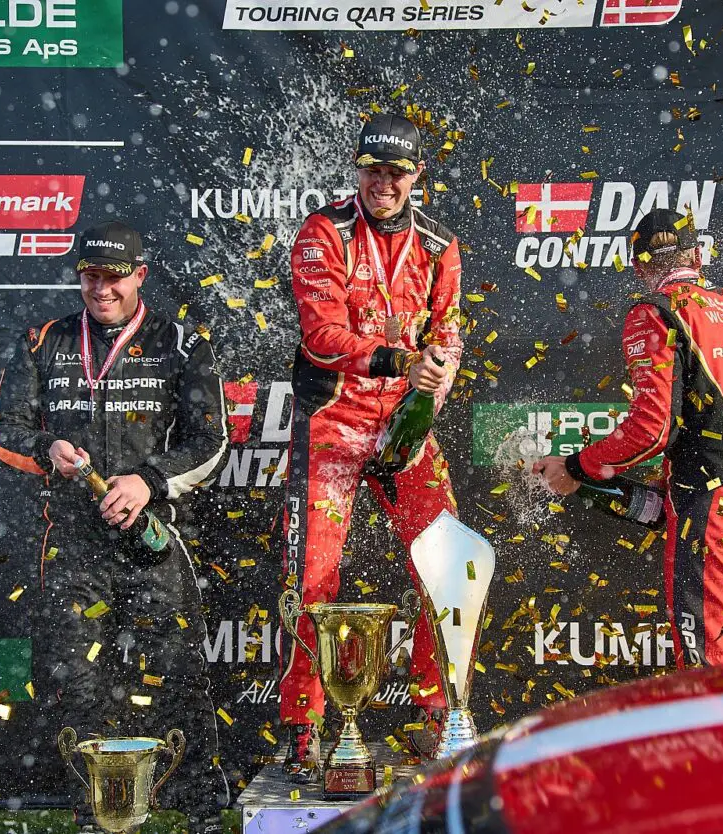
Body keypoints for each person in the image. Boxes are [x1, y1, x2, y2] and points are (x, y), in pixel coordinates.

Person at [0, 220, 231, 825]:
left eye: (114, 277)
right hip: (73, 544)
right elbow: (2, 431)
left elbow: (211, 440)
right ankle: (95, 814)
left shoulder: (180, 343)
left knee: (176, 676)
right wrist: (46, 449)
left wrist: (148, 481)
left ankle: (199, 810)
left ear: (139, 276)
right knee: (76, 682)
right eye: (90, 276)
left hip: (152, 536)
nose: (101, 289)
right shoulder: (44, 341)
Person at [279, 114, 464, 782]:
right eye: (372, 170)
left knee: (449, 567)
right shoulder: (323, 231)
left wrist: (439, 376)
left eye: (396, 172)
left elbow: (448, 334)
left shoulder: (440, 245)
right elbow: (321, 336)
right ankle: (303, 727)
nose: (383, 183)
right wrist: (399, 360)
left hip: (405, 425)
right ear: (356, 169)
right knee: (312, 576)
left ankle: (439, 717)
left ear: (417, 176)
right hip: (333, 422)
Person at [534, 209, 723, 669]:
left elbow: (651, 430)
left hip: (713, 511)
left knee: (707, 668)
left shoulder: (657, 311)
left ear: (638, 266)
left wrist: (575, 467)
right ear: (698, 256)